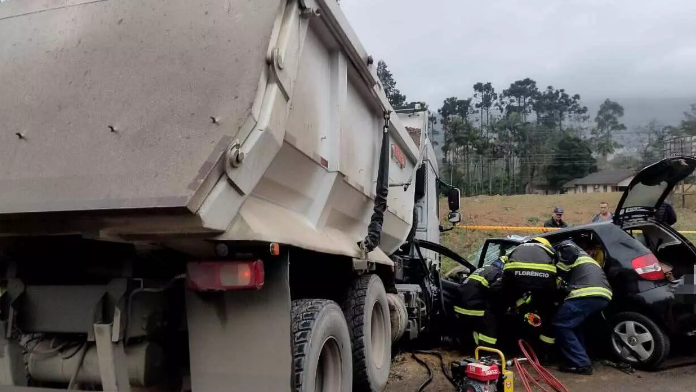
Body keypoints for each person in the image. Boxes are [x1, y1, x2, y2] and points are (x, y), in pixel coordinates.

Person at [553, 240, 612, 375]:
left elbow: (560, 274)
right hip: (603, 294)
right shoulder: (585, 258)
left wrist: (556, 276)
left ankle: (582, 363)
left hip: (586, 293)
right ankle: (581, 358)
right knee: (575, 325)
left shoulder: (566, 246)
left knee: (561, 324)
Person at [497, 237, 559, 351]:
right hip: (544, 275)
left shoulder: (519, 247)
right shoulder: (547, 249)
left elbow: (504, 262)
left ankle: (508, 343)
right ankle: (544, 352)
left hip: (515, 272)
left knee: (506, 300)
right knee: (548, 311)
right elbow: (556, 258)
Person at [452, 256, 506, 348]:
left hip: (460, 306)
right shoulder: (497, 273)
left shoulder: (485, 268)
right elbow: (496, 290)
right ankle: (485, 347)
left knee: (470, 327)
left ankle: (467, 342)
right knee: (492, 315)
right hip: (473, 309)